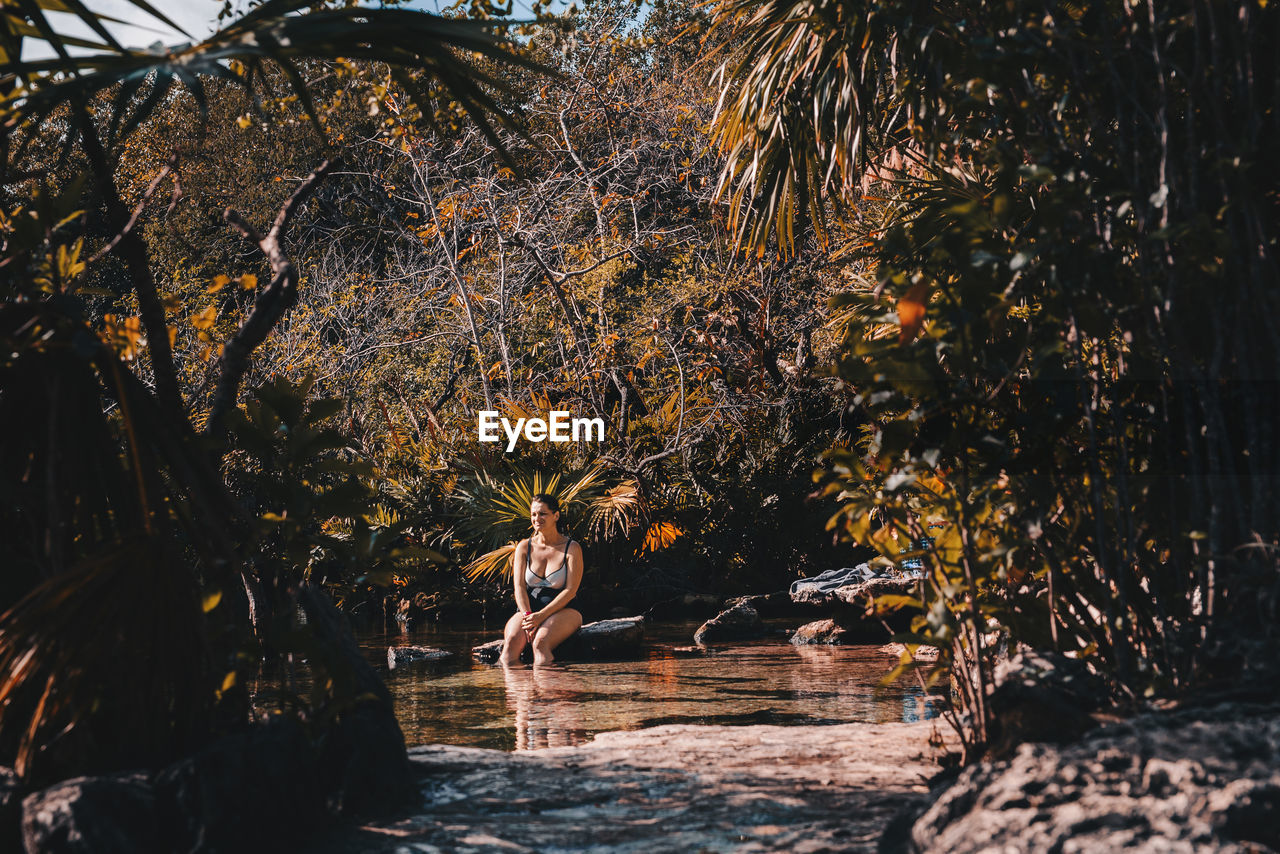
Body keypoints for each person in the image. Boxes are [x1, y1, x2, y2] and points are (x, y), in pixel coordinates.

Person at [500, 493, 584, 666]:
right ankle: (519, 693)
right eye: (533, 514)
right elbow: (519, 587)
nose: (537, 518)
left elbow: (571, 590)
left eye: (542, 514)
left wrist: (541, 617)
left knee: (540, 644)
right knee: (510, 645)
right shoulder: (524, 547)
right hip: (529, 610)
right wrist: (528, 616)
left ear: (556, 516)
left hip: (565, 610)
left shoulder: (572, 548)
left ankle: (547, 691)